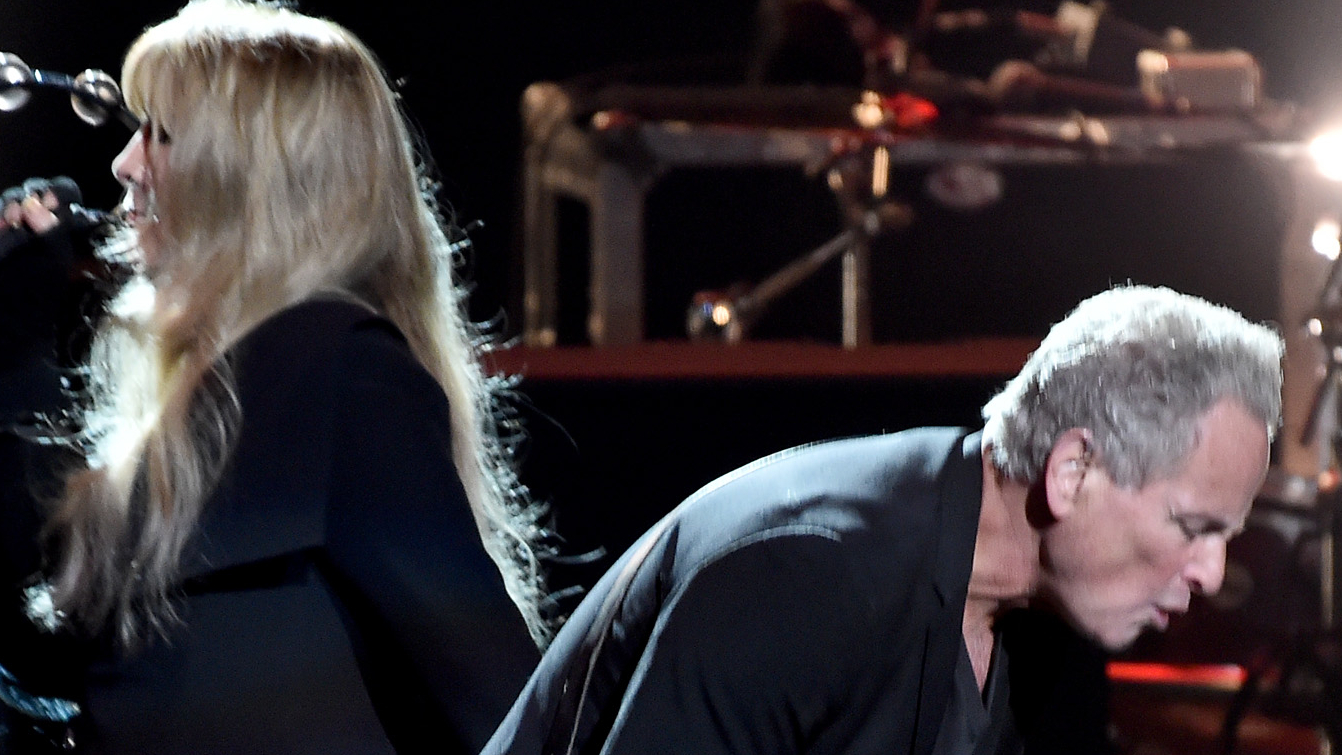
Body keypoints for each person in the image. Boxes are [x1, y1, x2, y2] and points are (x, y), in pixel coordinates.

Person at [0, 1, 548, 752]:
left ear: (255, 177)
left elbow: (498, 695)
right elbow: (47, 640)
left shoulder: (341, 371)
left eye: (160, 134)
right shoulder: (205, 389)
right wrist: (20, 348)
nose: (125, 163)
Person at [482, 284, 1284, 755]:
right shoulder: (809, 570)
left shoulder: (1052, 623)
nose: (1213, 572)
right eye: (1192, 525)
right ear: (1073, 470)